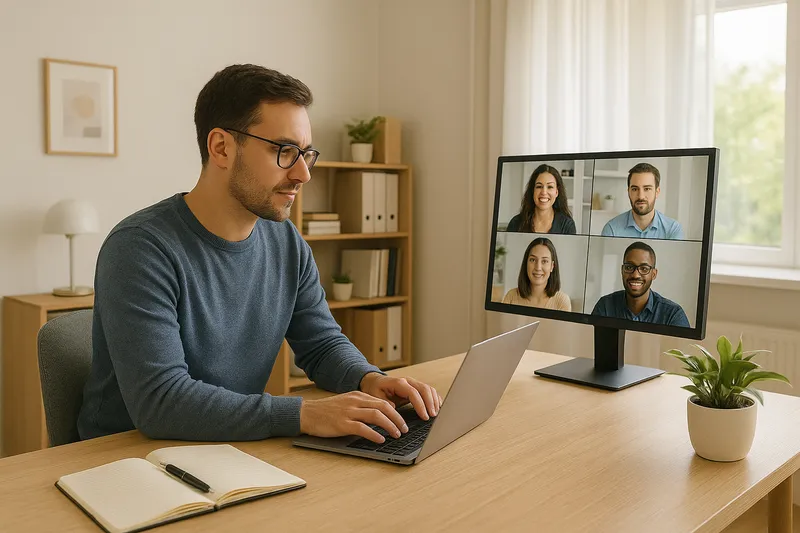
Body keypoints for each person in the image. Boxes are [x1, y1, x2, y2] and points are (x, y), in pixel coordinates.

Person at [77, 64, 442, 446]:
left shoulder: (286, 241)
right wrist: (305, 413)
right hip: (126, 459)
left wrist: (370, 380)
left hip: (227, 446)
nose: (303, 174)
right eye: (284, 151)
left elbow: (320, 344)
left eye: (306, 153)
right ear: (221, 147)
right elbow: (161, 402)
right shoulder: (140, 248)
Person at [591, 241, 690, 327]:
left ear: (654, 274)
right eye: (629, 267)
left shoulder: (673, 314)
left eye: (644, 269)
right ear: (622, 270)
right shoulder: (605, 306)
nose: (635, 275)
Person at [600, 162, 684, 240]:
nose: (641, 196)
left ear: (657, 192)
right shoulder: (612, 230)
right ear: (629, 192)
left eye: (647, 189)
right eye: (635, 189)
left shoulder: (672, 230)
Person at [502, 237, 572, 311]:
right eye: (533, 260)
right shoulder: (511, 296)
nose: (538, 267)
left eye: (544, 261)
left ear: (552, 266)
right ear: (526, 263)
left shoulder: (562, 301)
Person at [506, 164, 577, 234]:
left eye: (550, 187)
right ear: (533, 191)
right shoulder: (516, 223)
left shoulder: (567, 225)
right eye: (539, 186)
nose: (544, 192)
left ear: (556, 192)